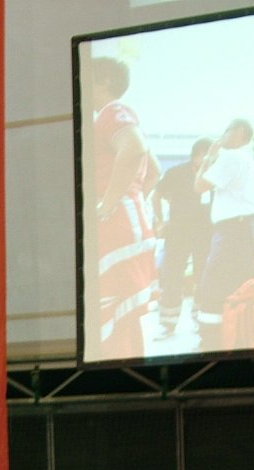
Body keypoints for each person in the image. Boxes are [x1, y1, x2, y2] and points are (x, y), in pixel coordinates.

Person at [87, 56, 161, 362]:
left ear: (103, 82)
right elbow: (154, 171)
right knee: (121, 319)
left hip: (116, 226)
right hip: (128, 223)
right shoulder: (117, 118)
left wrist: (108, 203)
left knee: (111, 317)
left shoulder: (111, 112)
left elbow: (135, 148)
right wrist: (128, 200)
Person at [193, 118, 254, 351]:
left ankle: (210, 340)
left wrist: (208, 158)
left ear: (241, 133)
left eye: (227, 130)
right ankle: (241, 335)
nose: (222, 135)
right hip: (250, 229)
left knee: (212, 284)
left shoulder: (232, 156)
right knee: (244, 285)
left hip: (232, 231)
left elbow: (200, 186)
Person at [151, 137, 213, 340]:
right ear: (196, 155)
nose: (209, 159)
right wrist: (160, 221)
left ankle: (199, 320)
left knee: (202, 276)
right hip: (178, 231)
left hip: (204, 233)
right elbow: (156, 195)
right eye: (205, 154)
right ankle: (167, 324)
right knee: (172, 277)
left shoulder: (214, 174)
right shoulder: (176, 172)